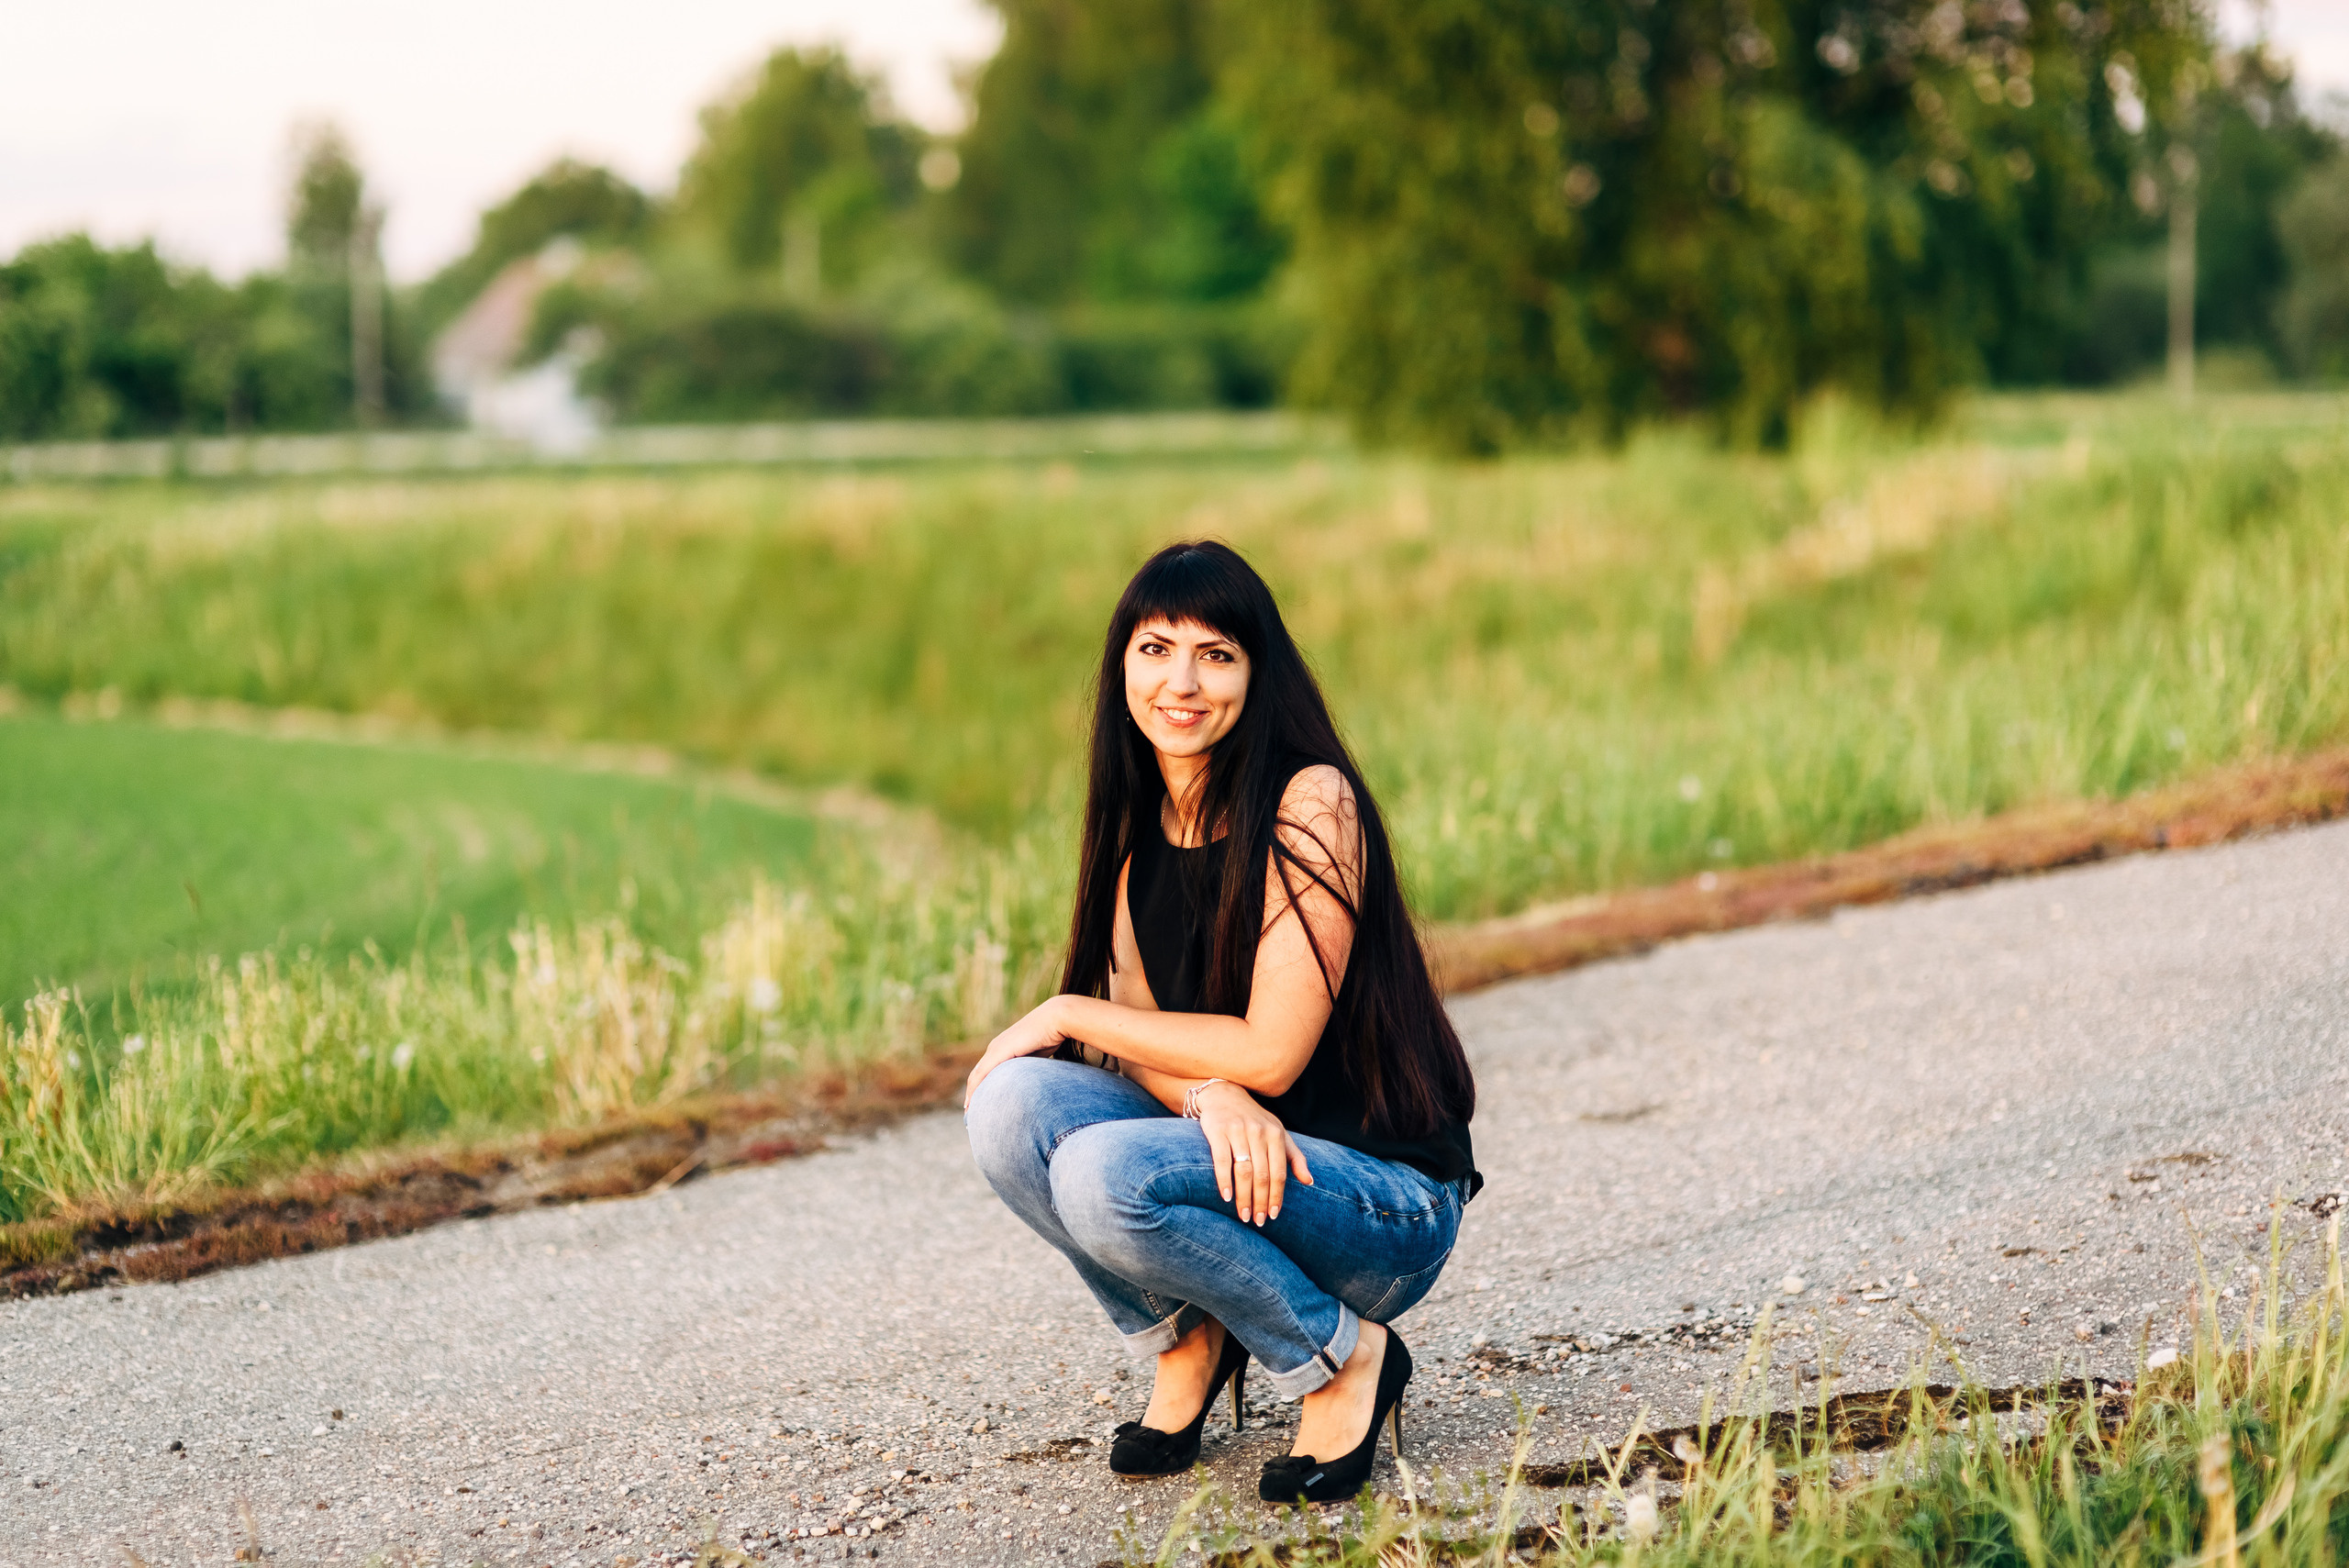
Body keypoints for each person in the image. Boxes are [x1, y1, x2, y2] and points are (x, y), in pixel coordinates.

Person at [963, 539, 1481, 1505]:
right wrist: (1212, 1096)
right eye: (1156, 650)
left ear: (1257, 671)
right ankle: (1189, 1335)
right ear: (1122, 665)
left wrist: (1072, 1009)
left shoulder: (1311, 801)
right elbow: (1150, 1051)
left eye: (1216, 654)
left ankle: (1342, 1356)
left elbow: (1271, 1054)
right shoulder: (1134, 847)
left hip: (1379, 1202)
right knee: (1011, 1104)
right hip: (1249, 1175)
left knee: (1104, 1171)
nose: (1182, 683)